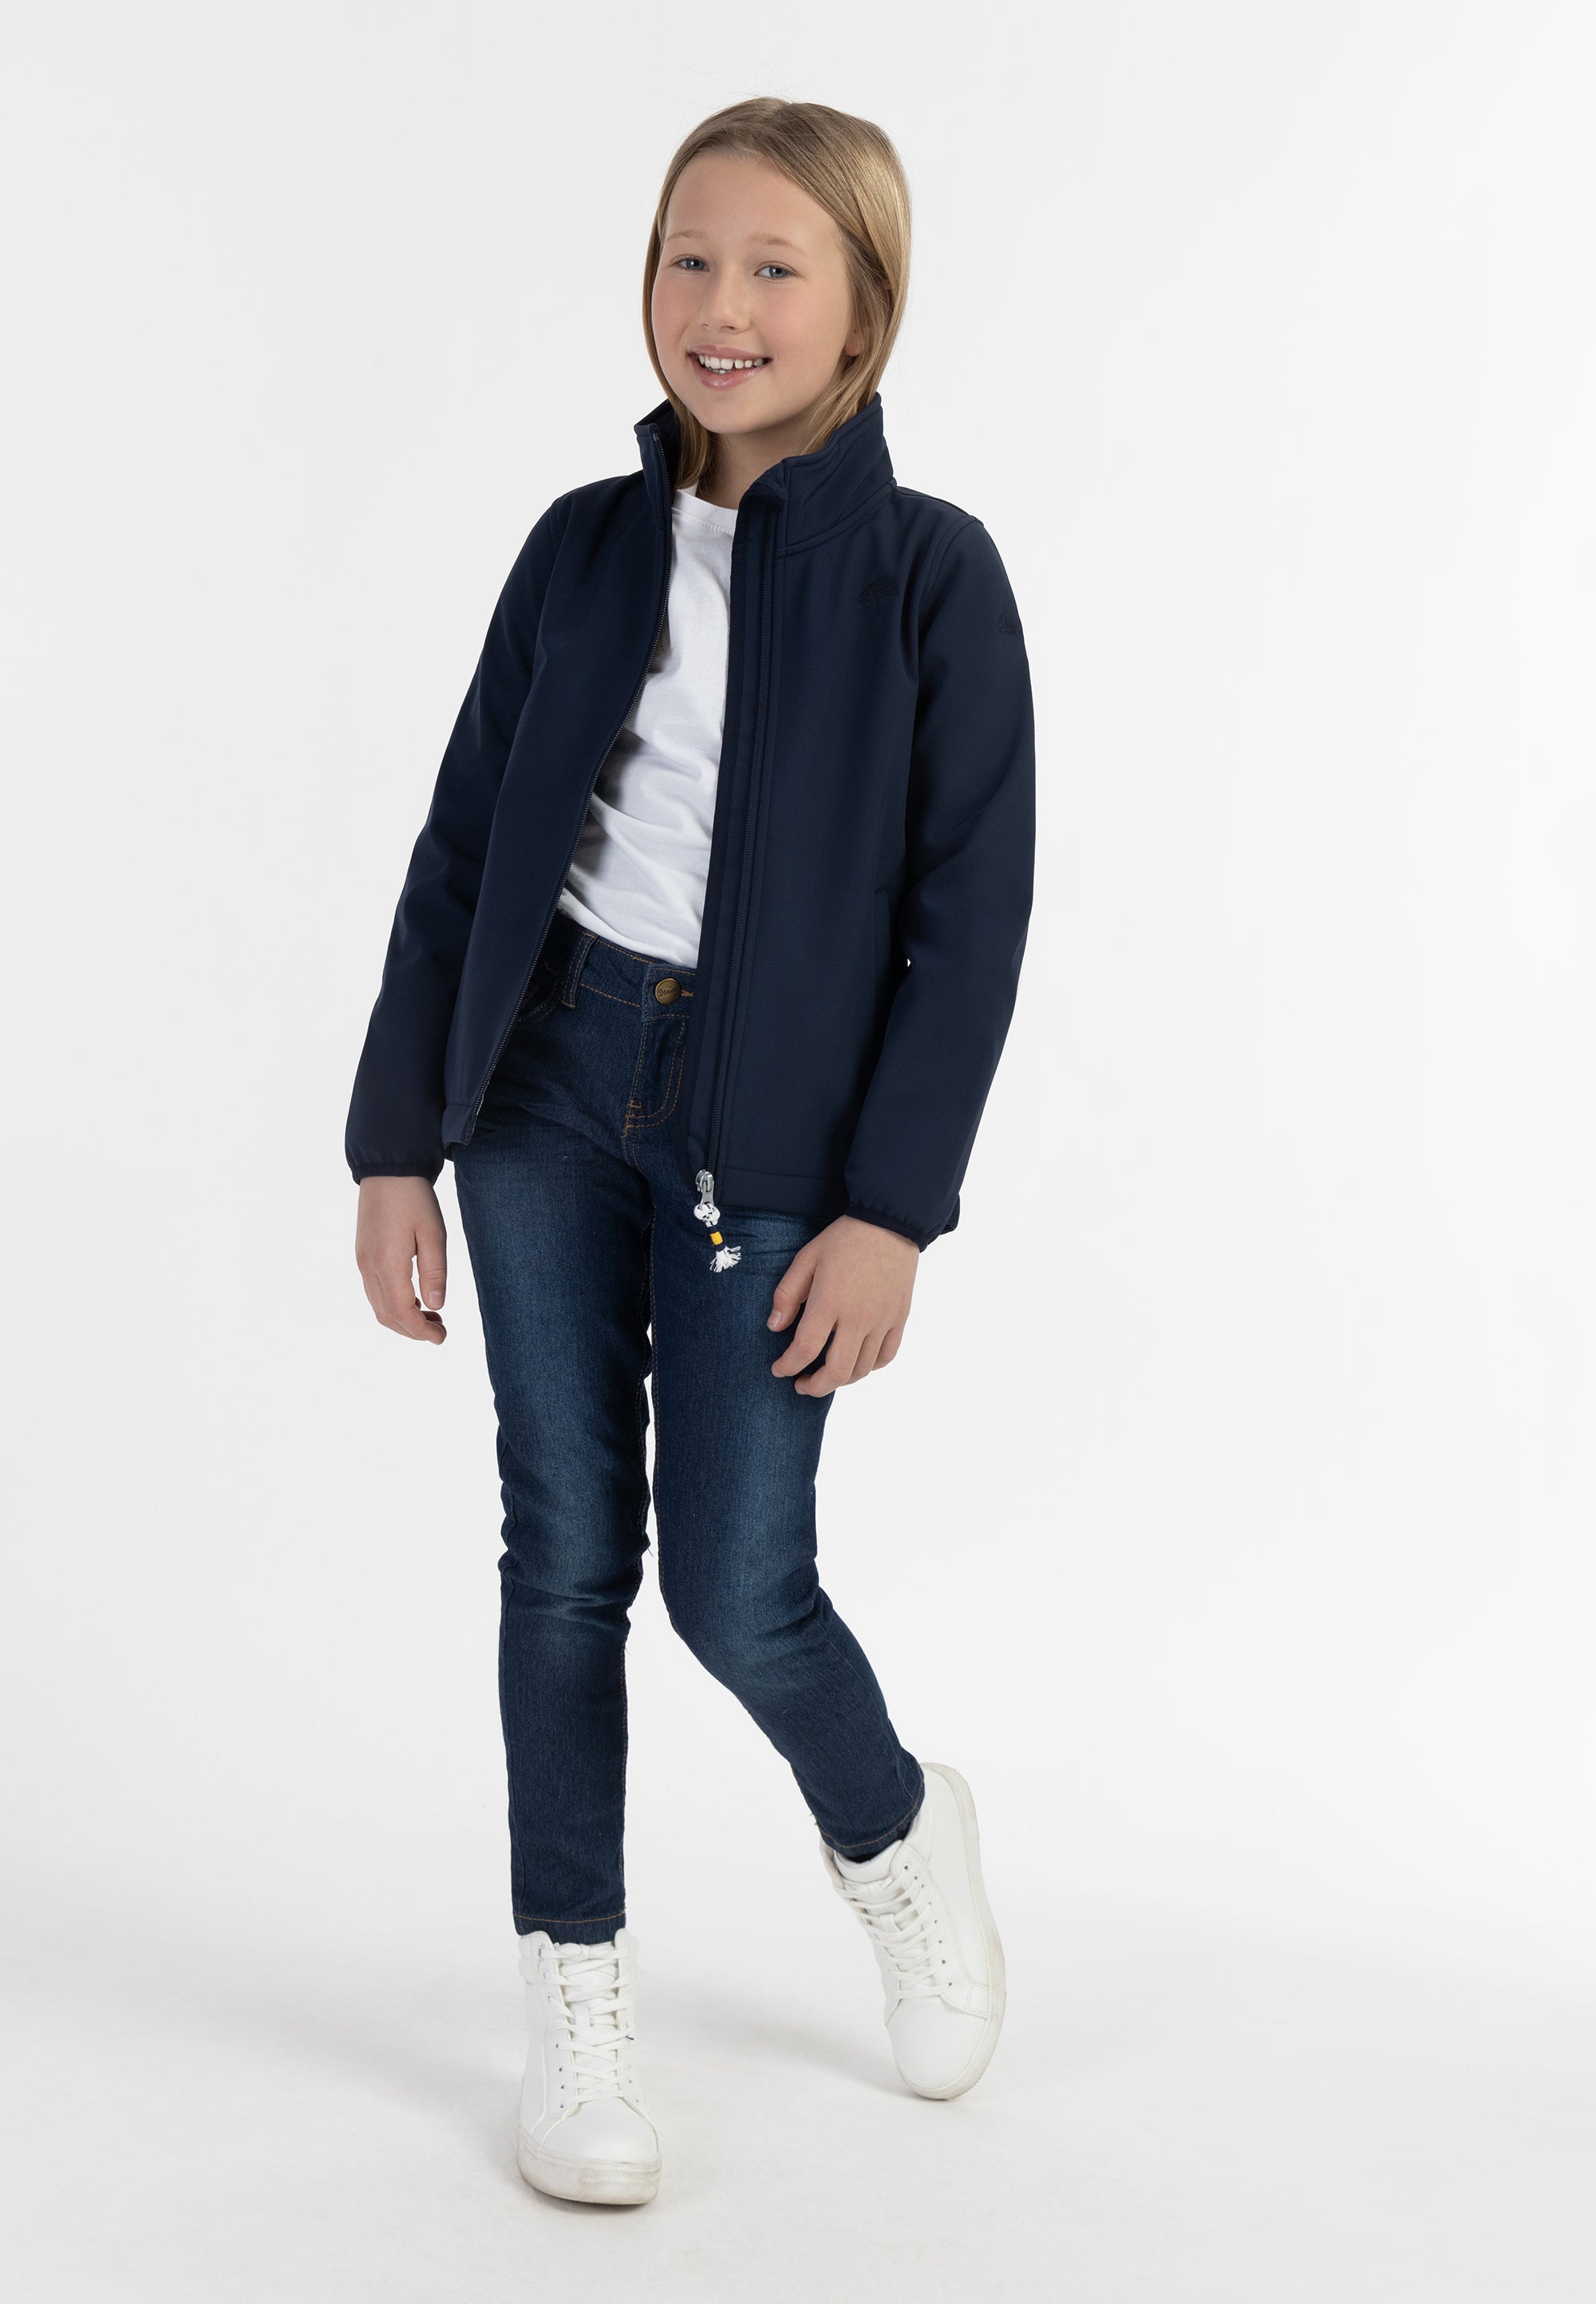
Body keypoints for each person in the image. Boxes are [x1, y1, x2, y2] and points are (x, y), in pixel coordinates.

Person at [347, 97, 1035, 2208]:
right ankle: (577, 2005)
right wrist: (395, 1142)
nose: (720, 305)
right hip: (542, 1092)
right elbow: (466, 845)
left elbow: (970, 918)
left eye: (773, 268)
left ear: (865, 310)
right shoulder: (581, 545)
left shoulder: (930, 579)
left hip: (776, 1147)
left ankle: (900, 1834)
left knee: (742, 1588)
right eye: (687, 258)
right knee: (561, 1555)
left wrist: (894, 1210)